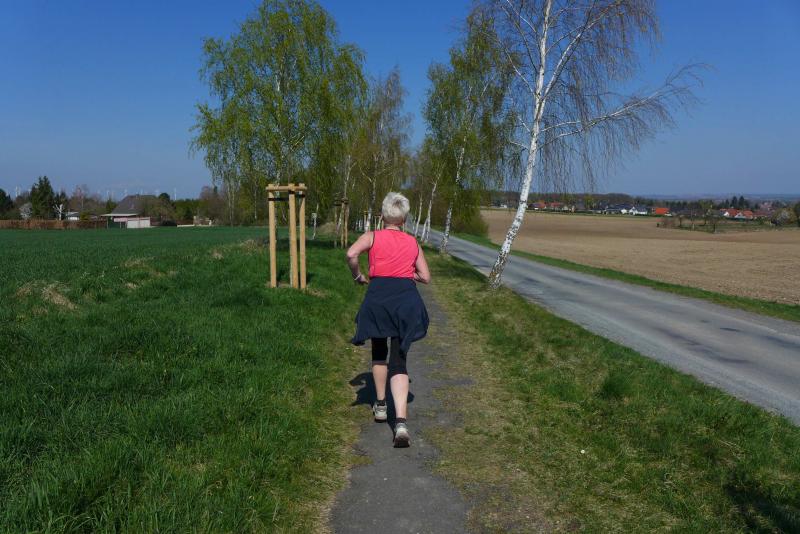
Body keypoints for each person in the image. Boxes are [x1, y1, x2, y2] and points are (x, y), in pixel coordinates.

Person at [347, 192, 431, 447]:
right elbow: (426, 277)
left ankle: (381, 406)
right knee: (399, 360)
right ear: (404, 220)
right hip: (405, 302)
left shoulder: (371, 237)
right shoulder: (412, 242)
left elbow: (351, 254)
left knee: (379, 351)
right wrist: (408, 274)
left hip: (378, 299)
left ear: (382, 216)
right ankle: (401, 424)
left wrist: (358, 276)